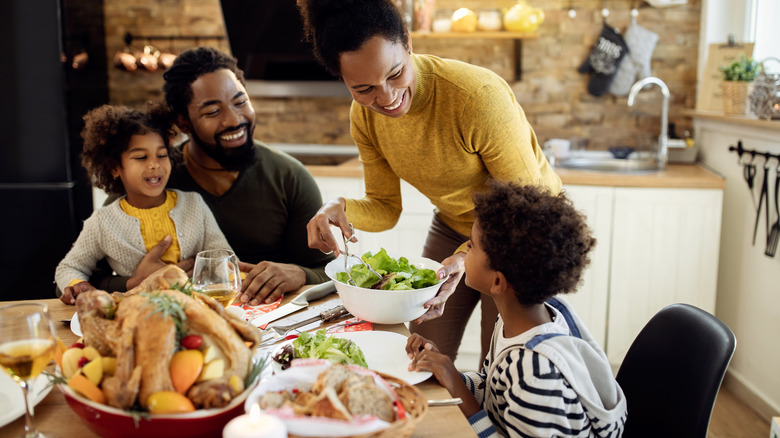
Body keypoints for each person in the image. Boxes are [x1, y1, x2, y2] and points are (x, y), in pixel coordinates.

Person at [299, 0, 562, 363]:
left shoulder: (476, 98)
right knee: (420, 351)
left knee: (502, 362)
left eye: (394, 74)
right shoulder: (364, 117)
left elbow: (527, 210)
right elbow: (385, 207)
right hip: (455, 225)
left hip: (522, 235)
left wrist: (463, 258)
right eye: (364, 88)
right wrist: (338, 210)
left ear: (407, 41)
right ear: (342, 79)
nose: (386, 98)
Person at [93, 47, 334, 306]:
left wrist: (299, 273)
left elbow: (329, 273)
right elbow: (86, 276)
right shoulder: (152, 176)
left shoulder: (290, 177)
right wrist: (134, 282)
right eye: (212, 112)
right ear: (184, 123)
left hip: (275, 328)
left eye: (240, 102)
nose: (234, 120)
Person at [406, 182, 627, 437]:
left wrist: (458, 389)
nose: (464, 249)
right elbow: (494, 391)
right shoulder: (520, 322)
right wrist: (447, 370)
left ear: (497, 282)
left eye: (472, 246)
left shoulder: (535, 373)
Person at [57, 103, 232, 304]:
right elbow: (69, 267)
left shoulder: (194, 204)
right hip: (138, 312)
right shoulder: (102, 223)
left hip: (196, 306)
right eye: (141, 157)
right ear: (115, 168)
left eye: (162, 155)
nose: (154, 164)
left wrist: (206, 271)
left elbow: (223, 258)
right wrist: (79, 284)